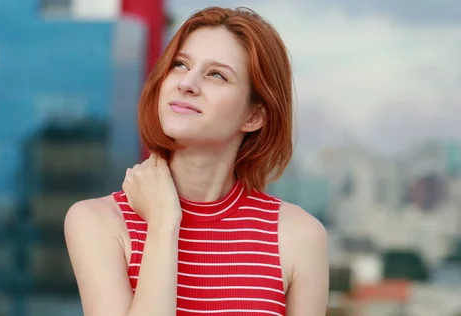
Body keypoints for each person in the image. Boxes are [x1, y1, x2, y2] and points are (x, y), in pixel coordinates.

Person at [64, 6, 329, 316]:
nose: (186, 83)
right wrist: (164, 222)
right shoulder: (99, 222)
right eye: (180, 64)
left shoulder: (298, 237)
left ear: (254, 115)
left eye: (217, 74)